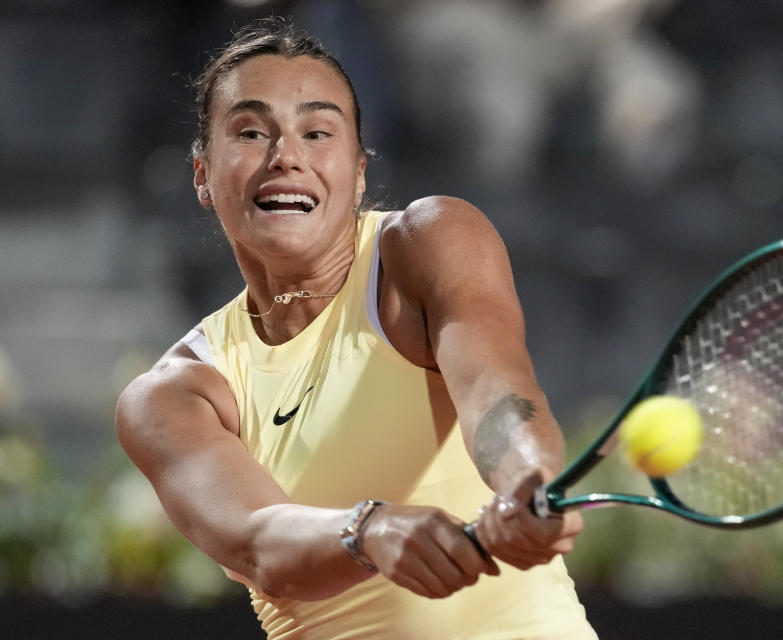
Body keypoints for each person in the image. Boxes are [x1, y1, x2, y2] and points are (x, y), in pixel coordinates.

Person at [116, 17, 598, 640]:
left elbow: (496, 392)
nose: (286, 156)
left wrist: (527, 481)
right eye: (251, 131)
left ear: (360, 172)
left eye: (317, 132)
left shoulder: (430, 241)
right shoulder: (173, 396)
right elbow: (259, 543)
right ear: (203, 176)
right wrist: (368, 531)